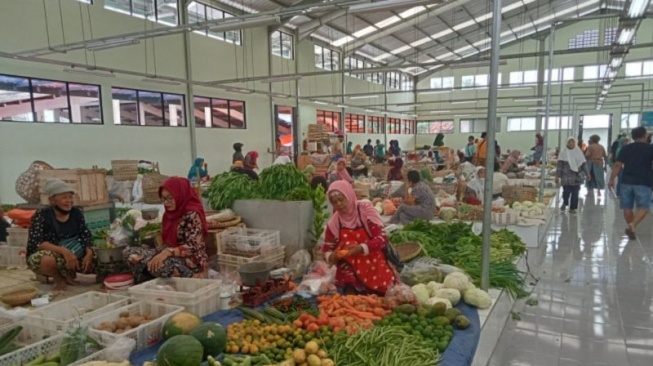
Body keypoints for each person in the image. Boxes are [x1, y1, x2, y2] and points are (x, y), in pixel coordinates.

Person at [124, 177, 208, 283]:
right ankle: (148, 276)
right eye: (163, 199)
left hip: (191, 260)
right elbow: (166, 244)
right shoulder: (169, 214)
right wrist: (159, 253)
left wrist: (167, 252)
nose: (167, 203)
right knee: (129, 253)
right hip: (168, 252)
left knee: (161, 267)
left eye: (170, 198)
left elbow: (193, 247)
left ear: (179, 195)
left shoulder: (192, 215)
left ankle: (191, 276)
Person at [323, 181, 398, 295]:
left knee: (387, 288)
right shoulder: (334, 222)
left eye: (342, 199)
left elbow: (382, 239)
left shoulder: (364, 210)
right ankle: (351, 297)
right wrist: (331, 256)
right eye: (335, 202)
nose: (339, 204)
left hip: (372, 256)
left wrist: (361, 248)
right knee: (346, 265)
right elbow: (327, 248)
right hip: (349, 262)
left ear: (349, 195)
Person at [26, 179, 97, 291]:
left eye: (70, 197)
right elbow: (37, 242)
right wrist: (65, 251)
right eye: (64, 198)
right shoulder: (42, 215)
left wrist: (89, 252)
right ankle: (59, 279)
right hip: (55, 253)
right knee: (47, 260)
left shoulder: (76, 213)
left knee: (101, 257)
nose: (69, 201)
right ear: (52, 201)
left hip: (75, 253)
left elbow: (85, 234)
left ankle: (71, 273)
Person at [608, 127, 653, 239]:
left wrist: (611, 179)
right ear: (644, 135)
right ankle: (633, 225)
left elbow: (617, 165)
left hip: (626, 181)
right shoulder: (650, 148)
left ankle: (631, 228)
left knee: (627, 207)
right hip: (644, 182)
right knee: (644, 207)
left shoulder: (626, 148)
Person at [556, 137, 589, 214]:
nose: (571, 144)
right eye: (569, 142)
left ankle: (573, 208)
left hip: (576, 177)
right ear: (567, 143)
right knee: (566, 192)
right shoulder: (563, 152)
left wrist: (588, 174)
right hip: (566, 177)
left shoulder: (578, 152)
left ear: (575, 143)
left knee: (575, 193)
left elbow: (584, 164)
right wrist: (557, 176)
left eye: (573, 142)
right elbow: (559, 166)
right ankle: (565, 203)